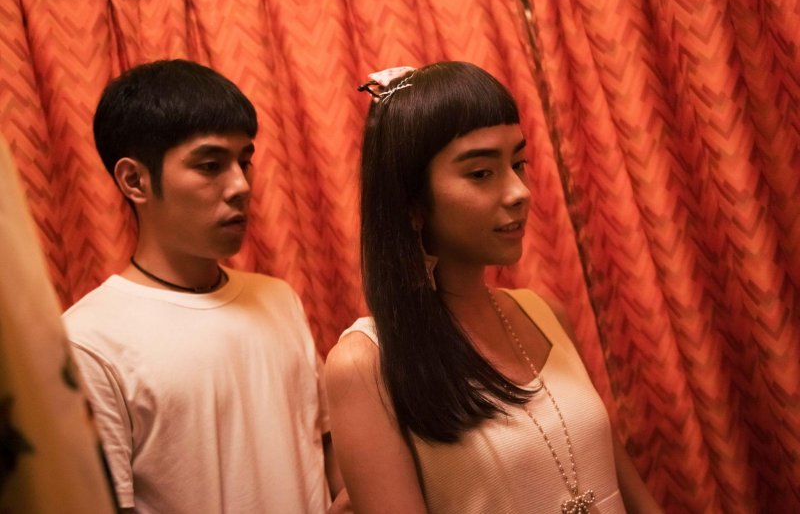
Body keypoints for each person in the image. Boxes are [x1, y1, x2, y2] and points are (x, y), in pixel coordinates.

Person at [325, 62, 662, 513]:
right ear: (412, 204)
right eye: (481, 173)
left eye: (518, 163)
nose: (519, 191)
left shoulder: (544, 315)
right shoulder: (366, 364)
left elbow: (626, 485)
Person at [63, 59, 346, 513]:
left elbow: (325, 443)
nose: (241, 185)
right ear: (135, 180)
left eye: (245, 161)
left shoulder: (278, 298)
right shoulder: (87, 343)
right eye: (211, 165)